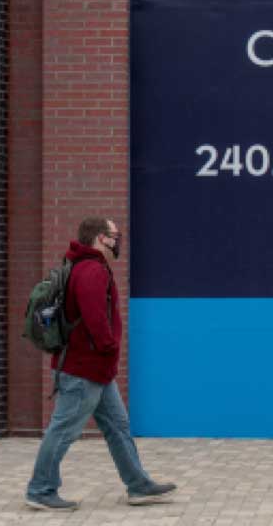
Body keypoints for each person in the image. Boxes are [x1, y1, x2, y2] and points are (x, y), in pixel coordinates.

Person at [25, 216, 177, 511]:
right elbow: (96, 318)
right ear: (99, 238)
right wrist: (109, 348)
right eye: (114, 235)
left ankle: (138, 485)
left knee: (118, 426)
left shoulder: (83, 266)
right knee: (64, 429)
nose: (118, 240)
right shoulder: (92, 270)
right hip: (84, 368)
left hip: (94, 368)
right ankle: (40, 489)